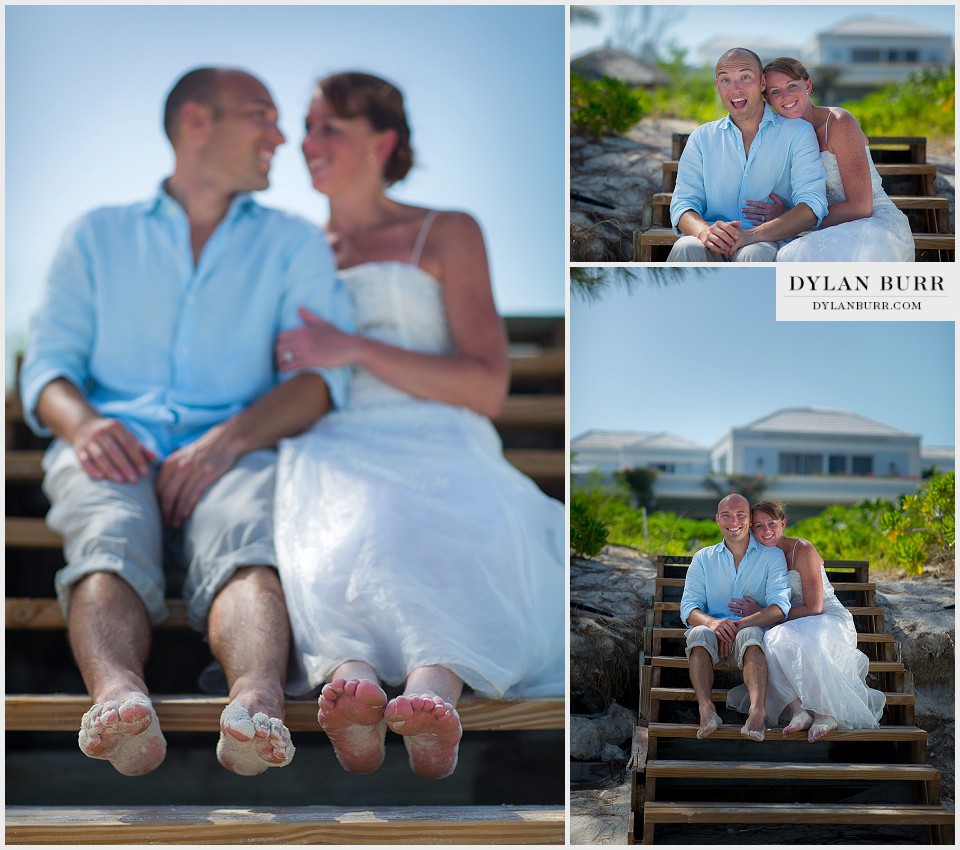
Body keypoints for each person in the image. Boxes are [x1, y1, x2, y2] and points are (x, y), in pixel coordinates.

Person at [19, 67, 353, 777]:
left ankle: (256, 701)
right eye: (260, 115)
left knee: (248, 547)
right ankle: (119, 701)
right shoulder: (95, 236)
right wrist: (81, 426)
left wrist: (223, 443)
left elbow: (321, 381)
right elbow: (47, 365)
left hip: (239, 449)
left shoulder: (294, 243)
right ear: (198, 121)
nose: (280, 135)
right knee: (106, 540)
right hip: (112, 447)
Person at [272, 71, 565, 780]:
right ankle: (355, 684)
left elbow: (488, 386)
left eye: (328, 128)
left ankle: (436, 692)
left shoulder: (446, 230)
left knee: (451, 499)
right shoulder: (292, 252)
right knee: (343, 507)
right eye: (306, 128)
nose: (307, 144)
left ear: (384, 141)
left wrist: (356, 347)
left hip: (442, 423)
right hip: (336, 432)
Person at [727, 501, 886, 742]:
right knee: (769, 639)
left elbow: (815, 607)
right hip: (789, 621)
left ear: (783, 524)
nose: (766, 530)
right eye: (759, 525)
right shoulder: (761, 556)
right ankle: (799, 711)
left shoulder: (802, 549)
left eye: (771, 524)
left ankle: (824, 714)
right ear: (751, 529)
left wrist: (768, 613)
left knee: (805, 638)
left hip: (825, 618)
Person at [741, 57, 914, 262]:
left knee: (793, 257)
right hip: (828, 226)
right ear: (769, 100)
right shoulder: (783, 136)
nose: (785, 96)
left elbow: (861, 207)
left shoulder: (839, 123)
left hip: (871, 223)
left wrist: (792, 218)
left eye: (792, 86)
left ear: (808, 85)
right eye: (775, 91)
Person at [667, 47, 828, 262]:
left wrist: (750, 236)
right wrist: (705, 231)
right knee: (686, 246)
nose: (736, 89)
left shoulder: (798, 132)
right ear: (718, 86)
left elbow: (812, 205)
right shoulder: (701, 137)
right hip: (711, 240)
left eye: (745, 77)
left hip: (767, 241)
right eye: (726, 80)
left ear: (762, 83)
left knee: (754, 253)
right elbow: (682, 203)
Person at [679, 493, 791, 742]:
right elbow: (688, 607)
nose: (734, 521)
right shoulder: (703, 558)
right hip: (712, 631)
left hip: (754, 629)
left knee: (750, 635)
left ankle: (757, 711)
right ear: (717, 520)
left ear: (750, 520)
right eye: (727, 515)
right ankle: (706, 709)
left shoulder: (771, 556)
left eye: (741, 515)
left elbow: (780, 607)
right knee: (697, 633)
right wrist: (713, 623)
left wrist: (738, 625)